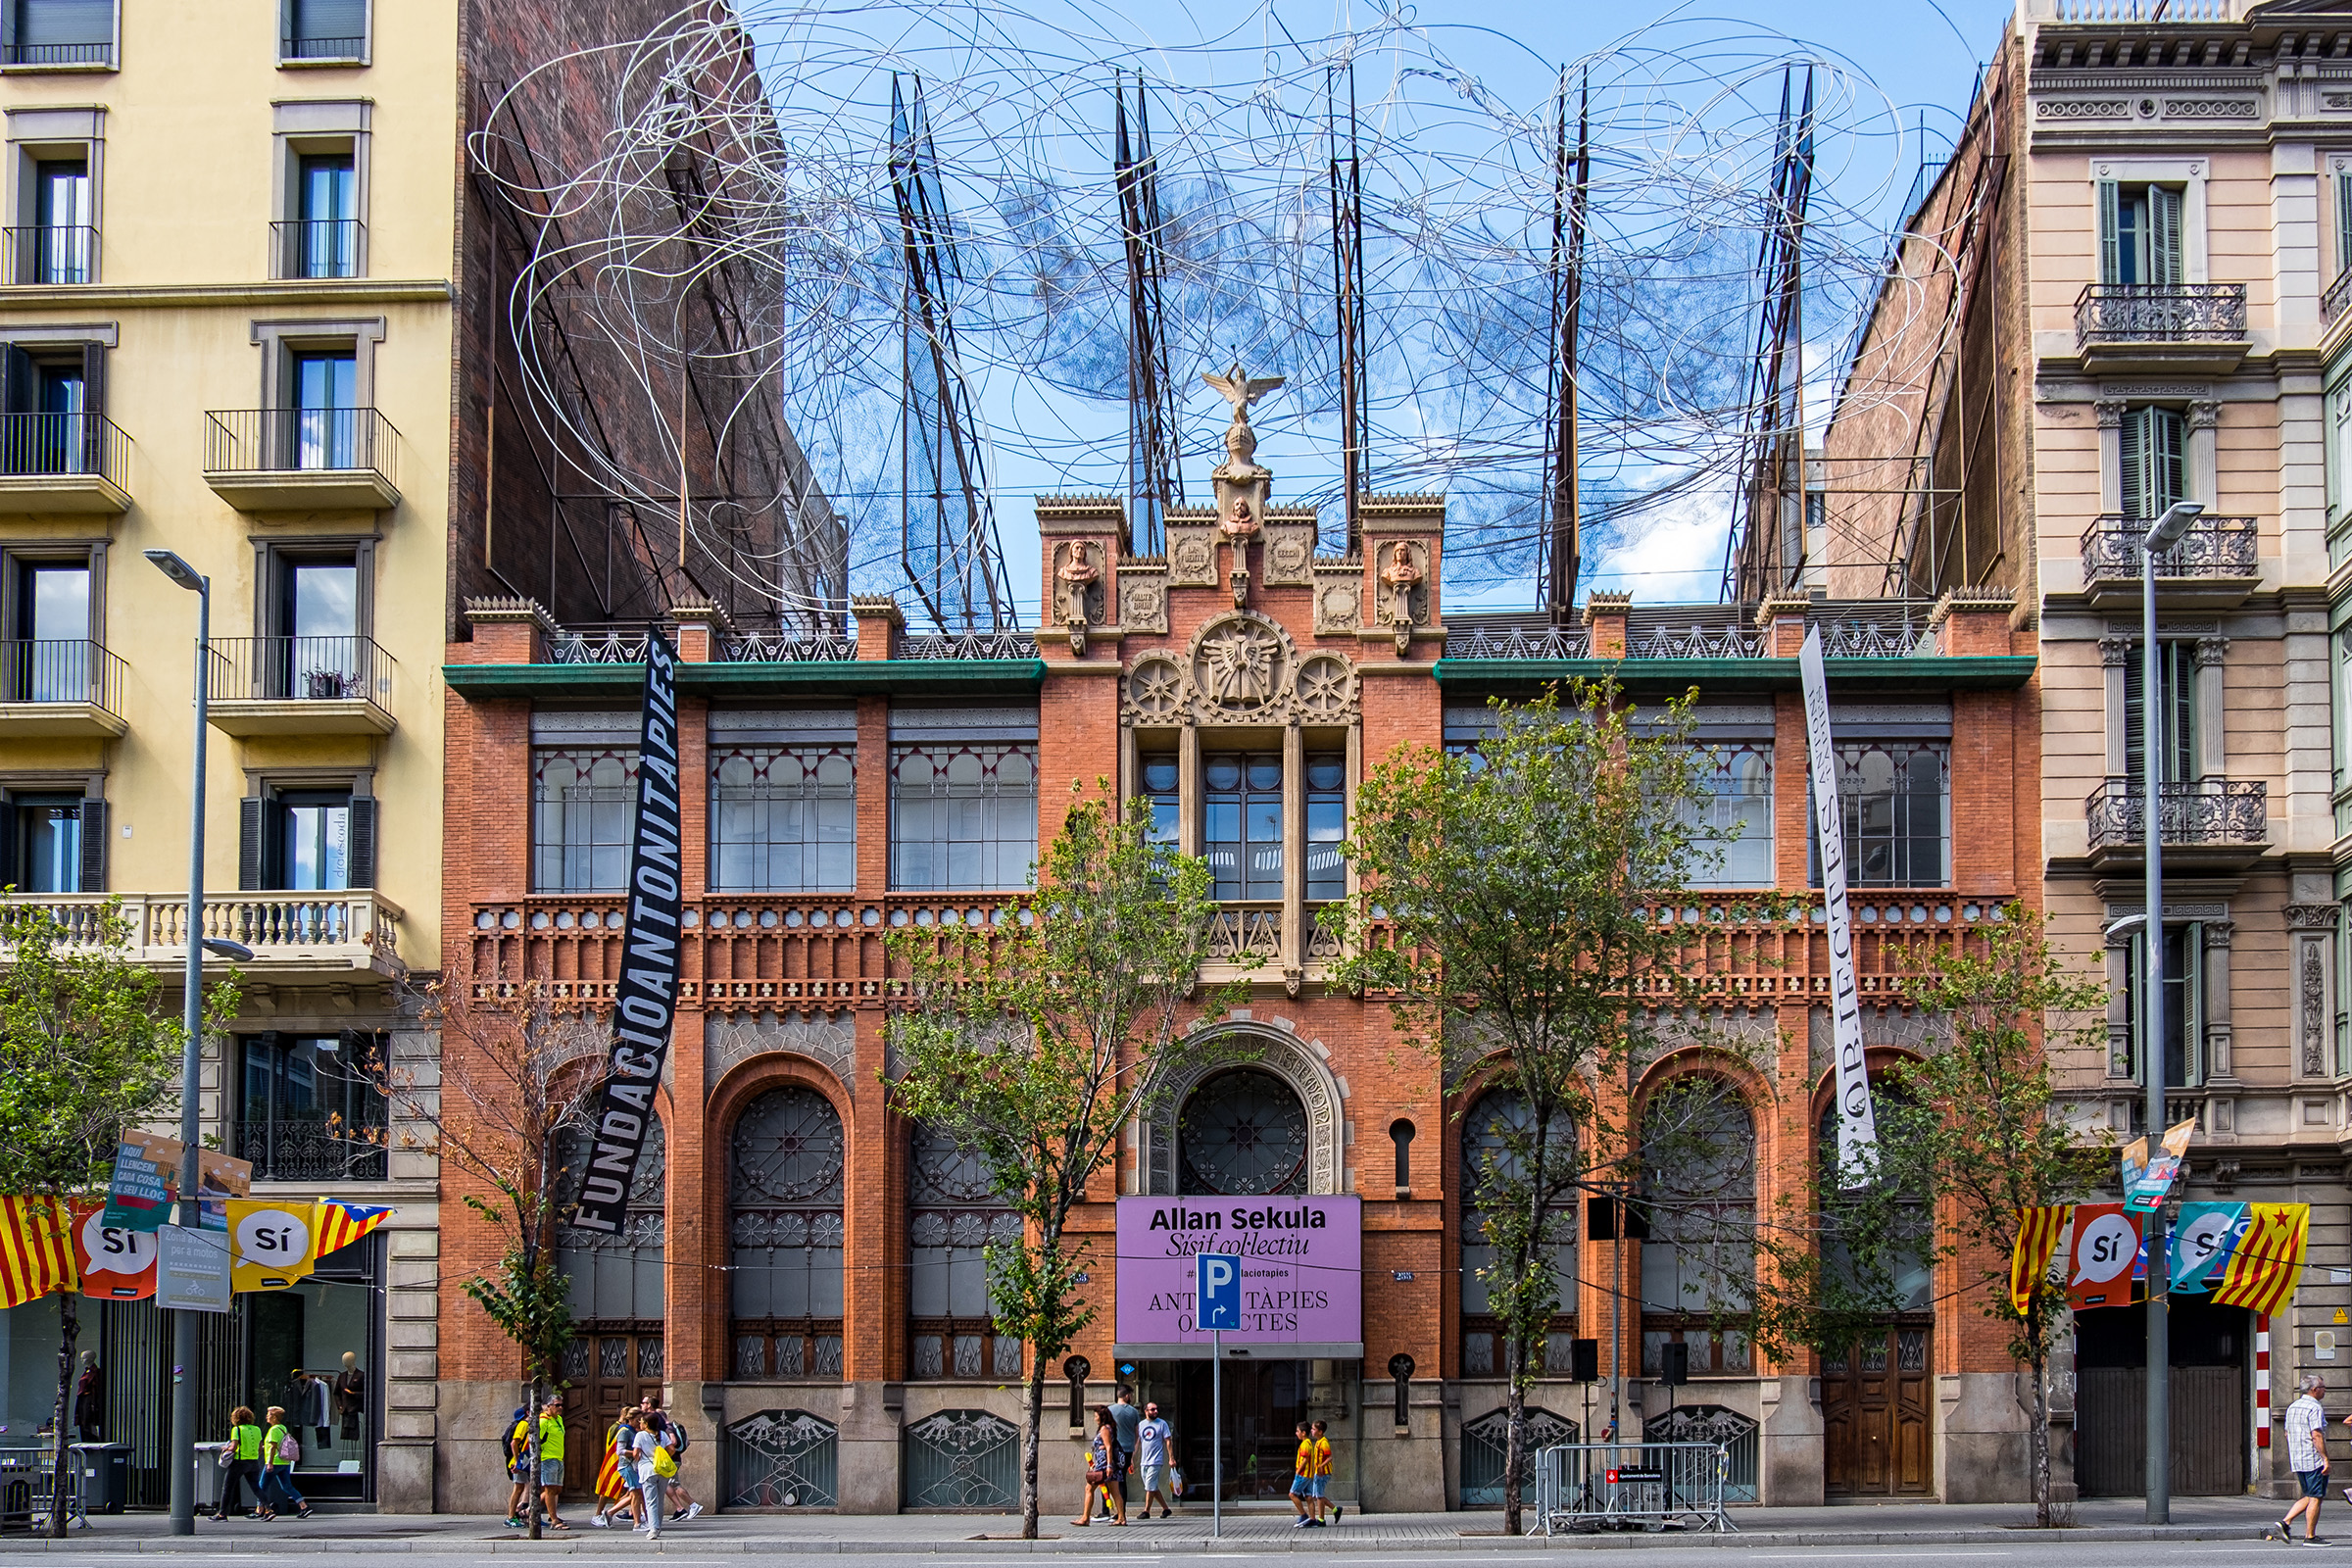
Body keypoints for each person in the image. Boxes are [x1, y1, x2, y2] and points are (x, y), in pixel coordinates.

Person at [2281, 1373, 2332, 1544]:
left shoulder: (2293, 1407)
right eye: (2323, 1388)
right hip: (2313, 1459)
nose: (2325, 1391)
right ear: (2314, 1389)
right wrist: (2325, 1458)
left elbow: (2287, 1433)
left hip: (2298, 1458)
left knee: (2310, 1495)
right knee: (2316, 1497)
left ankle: (2285, 1523)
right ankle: (2310, 1536)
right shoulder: (2314, 1407)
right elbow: (2316, 1435)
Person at [1069, 1407, 1126, 1527]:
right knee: (1115, 1492)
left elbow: (1108, 1447)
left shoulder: (1105, 1429)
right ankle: (1121, 1518)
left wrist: (1109, 1465)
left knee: (1089, 1489)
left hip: (1104, 1465)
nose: (1095, 1418)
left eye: (1096, 1416)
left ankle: (1085, 1518)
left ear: (1102, 1417)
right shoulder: (1110, 1428)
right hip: (1107, 1464)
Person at [214, 1406, 270, 1521]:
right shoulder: (257, 1429)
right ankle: (269, 1509)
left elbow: (234, 1447)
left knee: (228, 1488)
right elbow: (260, 1448)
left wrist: (226, 1448)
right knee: (256, 1487)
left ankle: (222, 1514)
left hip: (239, 1462)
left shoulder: (237, 1430)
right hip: (253, 1462)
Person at [258, 1405, 313, 1520]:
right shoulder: (283, 1428)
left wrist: (270, 1463)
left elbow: (273, 1447)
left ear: (274, 1417)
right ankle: (304, 1506)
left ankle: (260, 1510)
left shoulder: (273, 1430)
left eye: (269, 1414)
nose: (267, 1416)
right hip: (285, 1462)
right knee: (287, 1486)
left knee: (262, 1486)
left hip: (275, 1462)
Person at [590, 1409, 638, 1528]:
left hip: (630, 1464)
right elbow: (613, 1448)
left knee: (635, 1492)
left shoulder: (633, 1430)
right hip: (618, 1463)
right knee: (607, 1488)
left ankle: (636, 1516)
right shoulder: (620, 1429)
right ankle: (601, 1514)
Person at [1135, 1400, 1176, 1519]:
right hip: (1144, 1461)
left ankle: (1146, 1511)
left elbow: (1168, 1441)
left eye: (1156, 1409)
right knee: (1151, 1487)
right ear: (1146, 1411)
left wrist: (1171, 1458)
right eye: (1153, 1409)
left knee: (1150, 1486)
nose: (1156, 1411)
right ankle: (1166, 1509)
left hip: (1156, 1461)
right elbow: (1137, 1442)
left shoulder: (1162, 1424)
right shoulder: (1141, 1425)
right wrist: (1132, 1458)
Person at [627, 1411, 665, 1539]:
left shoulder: (641, 1435)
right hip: (662, 1470)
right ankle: (658, 1526)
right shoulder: (663, 1434)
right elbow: (671, 1449)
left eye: (642, 1421)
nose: (640, 1423)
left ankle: (653, 1528)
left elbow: (635, 1453)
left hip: (647, 1470)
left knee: (651, 1502)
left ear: (646, 1424)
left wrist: (638, 1460)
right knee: (660, 1501)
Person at [1104, 1387, 1141, 1519]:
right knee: (1122, 1481)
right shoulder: (1134, 1412)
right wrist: (1133, 1453)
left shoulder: (1109, 1410)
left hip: (1113, 1449)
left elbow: (1105, 1430)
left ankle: (1106, 1510)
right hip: (1127, 1450)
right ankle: (1121, 1512)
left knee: (1107, 1478)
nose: (1131, 1397)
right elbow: (1137, 1434)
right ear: (1126, 1396)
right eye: (1131, 1395)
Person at [533, 1396, 569, 1529]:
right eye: (557, 1405)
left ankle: (528, 1511)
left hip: (558, 1458)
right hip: (547, 1459)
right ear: (548, 1406)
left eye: (561, 1405)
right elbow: (534, 1441)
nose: (560, 1408)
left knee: (557, 1489)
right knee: (550, 1489)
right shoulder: (543, 1422)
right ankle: (554, 1520)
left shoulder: (558, 1420)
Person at [503, 1405, 534, 1529]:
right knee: (518, 1488)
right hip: (520, 1462)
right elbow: (514, 1442)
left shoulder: (529, 1425)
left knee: (524, 1486)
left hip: (525, 1461)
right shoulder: (524, 1425)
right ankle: (510, 1517)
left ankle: (527, 1515)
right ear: (528, 1412)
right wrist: (517, 1461)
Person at [1309, 1418, 1340, 1525]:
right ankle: (1335, 1509)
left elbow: (1329, 1457)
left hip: (1323, 1473)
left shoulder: (1324, 1443)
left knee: (1319, 1495)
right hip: (1318, 1472)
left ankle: (1321, 1519)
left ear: (1320, 1431)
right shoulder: (1318, 1442)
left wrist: (1321, 1466)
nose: (1311, 1431)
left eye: (1313, 1429)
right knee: (1317, 1495)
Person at [1289, 1420, 1316, 1527]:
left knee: (1292, 1494)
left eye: (1298, 1431)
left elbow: (1304, 1460)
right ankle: (1313, 1519)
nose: (1296, 1433)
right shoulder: (1309, 1443)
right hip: (1309, 1475)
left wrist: (1298, 1471)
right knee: (1309, 1497)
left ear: (1303, 1433)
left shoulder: (1304, 1444)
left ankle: (1303, 1514)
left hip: (1303, 1475)